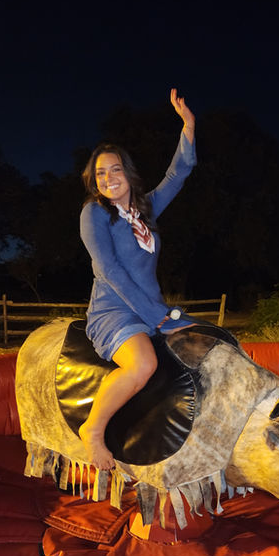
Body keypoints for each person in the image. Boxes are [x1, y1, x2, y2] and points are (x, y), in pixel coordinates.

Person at [79, 89, 196, 471]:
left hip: (152, 309)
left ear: (128, 173)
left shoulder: (145, 211)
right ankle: (93, 430)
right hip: (113, 311)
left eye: (115, 169)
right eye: (100, 173)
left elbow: (178, 174)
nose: (108, 178)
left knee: (205, 345)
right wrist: (159, 318)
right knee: (143, 364)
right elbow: (109, 271)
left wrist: (188, 127)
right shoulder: (94, 214)